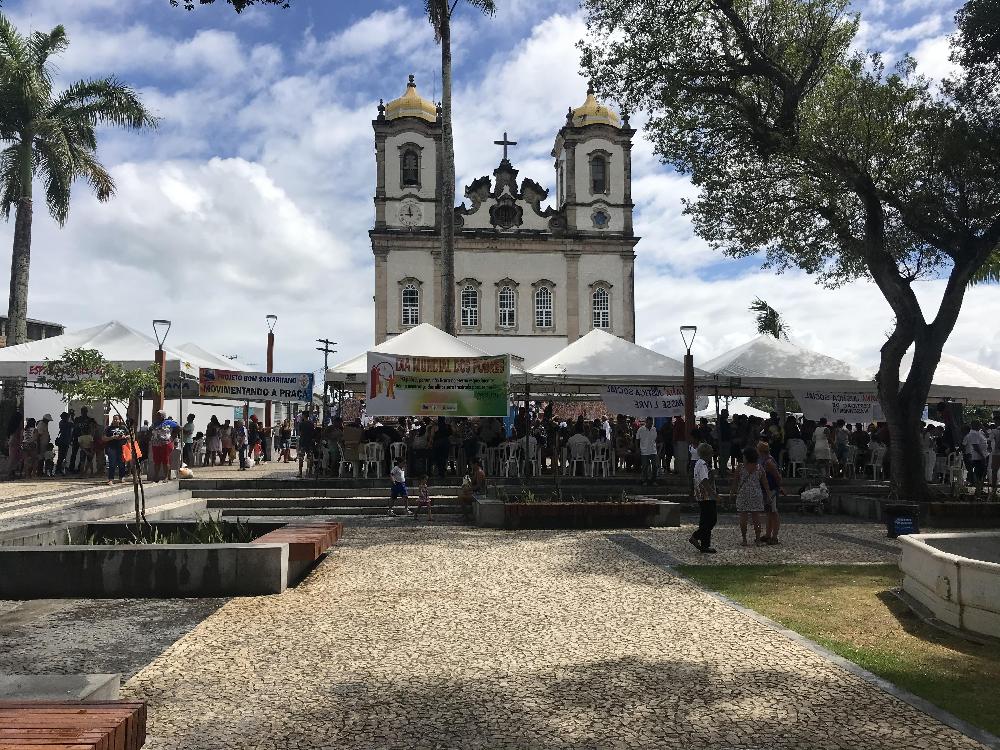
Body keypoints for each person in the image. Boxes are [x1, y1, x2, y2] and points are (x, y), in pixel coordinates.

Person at [731, 446, 768, 546]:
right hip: (756, 494)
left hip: (743, 494)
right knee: (756, 518)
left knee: (743, 517)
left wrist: (732, 493)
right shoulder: (759, 468)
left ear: (746, 457)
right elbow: (765, 483)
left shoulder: (740, 467)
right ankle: (758, 539)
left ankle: (744, 539)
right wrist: (768, 495)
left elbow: (735, 482)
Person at [689, 443, 718, 553]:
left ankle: (705, 544)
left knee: (705, 520)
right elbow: (705, 481)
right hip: (706, 496)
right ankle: (696, 536)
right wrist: (714, 494)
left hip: (702, 495)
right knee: (711, 519)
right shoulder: (703, 464)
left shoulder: (699, 463)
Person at [757, 441, 784, 544]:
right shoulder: (764, 459)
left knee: (773, 512)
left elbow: (777, 476)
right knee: (769, 512)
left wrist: (778, 487)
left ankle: (774, 536)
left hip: (771, 489)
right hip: (766, 489)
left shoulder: (768, 461)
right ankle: (768, 534)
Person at [149, 410, 179, 482]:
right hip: (156, 444)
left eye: (159, 415)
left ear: (163, 415)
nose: (158, 416)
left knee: (165, 460)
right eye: (157, 415)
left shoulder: (168, 422)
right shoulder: (155, 423)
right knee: (156, 461)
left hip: (165, 444)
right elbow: (150, 430)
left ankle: (166, 477)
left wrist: (173, 437)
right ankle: (156, 476)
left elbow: (178, 427)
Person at [962, 421, 989, 496]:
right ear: (975, 425)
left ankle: (979, 489)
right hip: (978, 457)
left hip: (981, 456)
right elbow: (975, 446)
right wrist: (982, 456)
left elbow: (987, 436)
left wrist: (984, 429)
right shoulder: (973, 433)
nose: (980, 426)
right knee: (978, 473)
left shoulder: (978, 433)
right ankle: (978, 489)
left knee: (981, 473)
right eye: (979, 424)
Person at [104, 414, 129, 485]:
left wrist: (124, 436)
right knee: (112, 464)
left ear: (120, 420)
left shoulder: (124, 428)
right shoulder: (109, 428)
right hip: (111, 448)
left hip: (122, 448)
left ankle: (122, 477)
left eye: (116, 419)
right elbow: (104, 438)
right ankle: (111, 479)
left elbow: (131, 435)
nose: (115, 420)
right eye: (114, 419)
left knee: (122, 464)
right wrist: (113, 437)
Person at [636, 416, 658, 485]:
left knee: (655, 466)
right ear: (646, 422)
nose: (650, 424)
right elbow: (637, 440)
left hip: (653, 451)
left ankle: (653, 480)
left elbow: (656, 439)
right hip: (644, 451)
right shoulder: (640, 429)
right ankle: (645, 480)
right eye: (649, 423)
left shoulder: (654, 429)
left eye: (651, 423)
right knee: (645, 466)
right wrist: (637, 449)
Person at [297, 413, 316, 479]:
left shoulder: (301, 424)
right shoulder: (311, 424)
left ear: (304, 416)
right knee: (310, 457)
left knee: (301, 457)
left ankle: (300, 472)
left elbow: (300, 433)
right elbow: (313, 432)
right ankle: (309, 471)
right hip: (310, 442)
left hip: (303, 442)